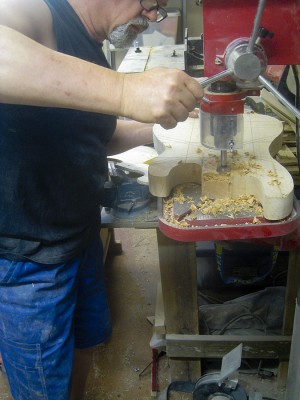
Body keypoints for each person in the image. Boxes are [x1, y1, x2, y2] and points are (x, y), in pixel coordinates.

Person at [0, 0, 203, 399]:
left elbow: (91, 135)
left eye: (159, 11)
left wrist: (157, 126)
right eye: (150, 6)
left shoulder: (91, 45)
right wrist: (124, 90)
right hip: (28, 258)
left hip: (79, 232)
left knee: (85, 344)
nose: (151, 19)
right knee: (43, 388)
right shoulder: (37, 11)